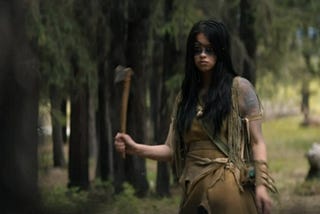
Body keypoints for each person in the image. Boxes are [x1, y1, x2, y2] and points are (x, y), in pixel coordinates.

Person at [114, 19, 276, 214]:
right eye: (197, 49)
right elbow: (170, 150)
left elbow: (257, 142)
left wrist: (260, 186)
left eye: (210, 49)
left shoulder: (240, 89)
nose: (202, 55)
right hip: (193, 192)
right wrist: (135, 148)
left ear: (221, 51)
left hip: (230, 192)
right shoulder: (185, 98)